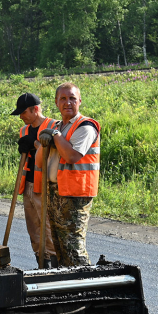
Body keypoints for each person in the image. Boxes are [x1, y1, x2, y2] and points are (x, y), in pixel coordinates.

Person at [38, 82, 100, 267]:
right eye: (63, 99)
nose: (68, 103)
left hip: (75, 195)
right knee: (60, 245)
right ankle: (70, 286)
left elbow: (72, 156)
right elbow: (39, 161)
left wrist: (55, 136)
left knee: (73, 247)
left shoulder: (86, 126)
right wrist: (43, 140)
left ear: (80, 101)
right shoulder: (57, 127)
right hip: (56, 192)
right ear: (56, 103)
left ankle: (89, 286)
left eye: (72, 98)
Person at [12, 92, 56, 268]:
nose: (21, 117)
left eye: (24, 113)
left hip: (45, 186)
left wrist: (36, 143)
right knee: (33, 228)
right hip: (28, 184)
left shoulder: (53, 126)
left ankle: (54, 263)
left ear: (35, 109)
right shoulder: (24, 129)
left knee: (47, 228)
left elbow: (53, 155)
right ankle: (41, 263)